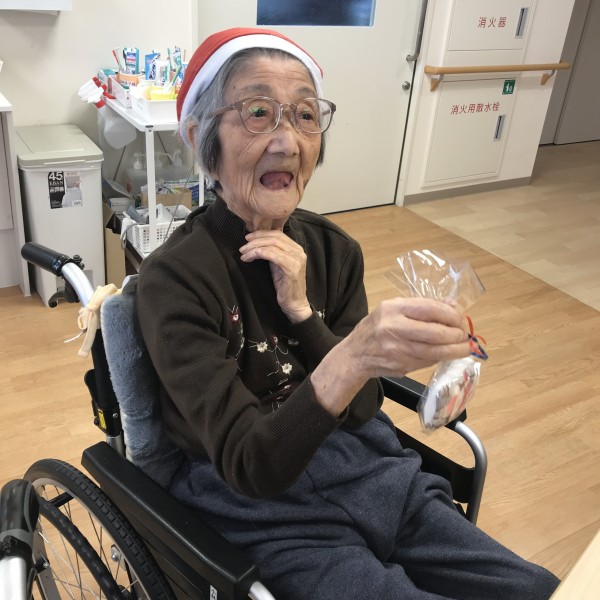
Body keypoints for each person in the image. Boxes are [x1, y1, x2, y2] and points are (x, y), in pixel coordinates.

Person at [137, 27, 560, 600]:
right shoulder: (176, 279)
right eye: (258, 113)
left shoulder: (333, 251)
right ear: (200, 138)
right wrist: (356, 353)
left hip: (368, 471)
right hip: (260, 511)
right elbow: (250, 464)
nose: (288, 141)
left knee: (540, 588)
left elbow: (362, 410)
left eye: (306, 116)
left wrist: (303, 314)